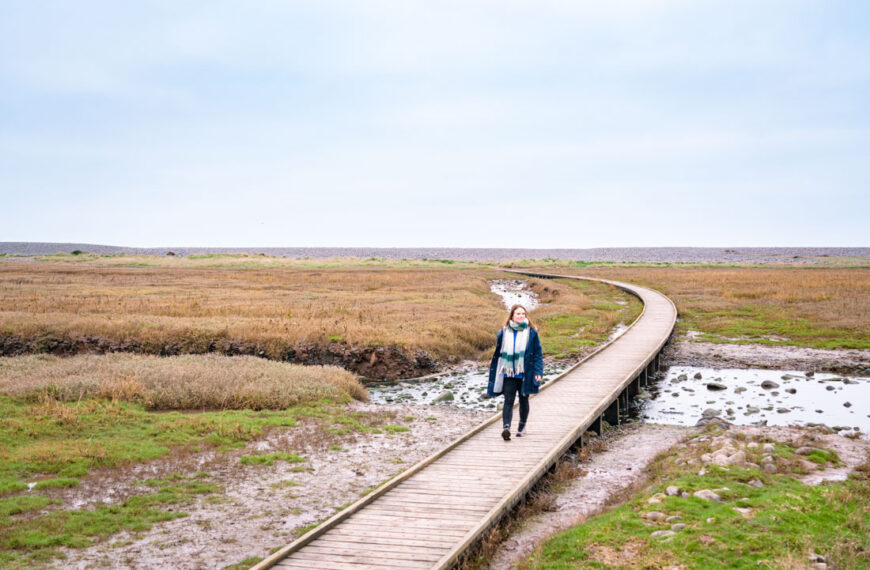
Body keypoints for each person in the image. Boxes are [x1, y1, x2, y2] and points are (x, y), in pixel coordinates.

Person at [487, 304, 543, 441]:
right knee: (508, 400)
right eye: (518, 314)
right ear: (512, 316)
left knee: (524, 399)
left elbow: (537, 354)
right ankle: (506, 428)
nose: (521, 316)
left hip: (525, 372)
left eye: (523, 314)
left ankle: (522, 427)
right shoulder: (504, 332)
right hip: (509, 372)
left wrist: (538, 371)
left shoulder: (532, 333)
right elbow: (499, 353)